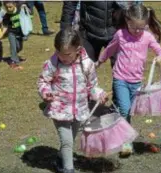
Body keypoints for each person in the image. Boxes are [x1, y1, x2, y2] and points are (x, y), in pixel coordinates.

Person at [96, 3, 161, 156]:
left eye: (142, 28)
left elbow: (159, 49)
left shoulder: (147, 37)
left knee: (129, 111)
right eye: (134, 27)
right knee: (125, 109)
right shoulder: (120, 35)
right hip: (120, 79)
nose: (138, 31)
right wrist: (100, 61)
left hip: (136, 82)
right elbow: (109, 49)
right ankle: (126, 143)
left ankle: (118, 133)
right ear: (127, 21)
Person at [37, 28, 108, 173]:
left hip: (80, 110)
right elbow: (43, 81)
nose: (62, 57)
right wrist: (46, 92)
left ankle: (60, 158)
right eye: (59, 52)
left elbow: (92, 86)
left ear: (78, 49)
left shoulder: (87, 64)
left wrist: (99, 94)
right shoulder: (53, 63)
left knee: (70, 140)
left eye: (67, 54)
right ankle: (68, 169)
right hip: (59, 109)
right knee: (67, 141)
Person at [0, 1, 25, 70]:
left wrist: (25, 8)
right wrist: (1, 35)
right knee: (13, 47)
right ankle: (13, 62)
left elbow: (27, 9)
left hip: (20, 33)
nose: (9, 9)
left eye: (10, 7)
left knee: (19, 47)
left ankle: (14, 56)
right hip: (11, 33)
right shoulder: (6, 16)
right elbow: (5, 27)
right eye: (7, 8)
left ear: (15, 5)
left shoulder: (19, 10)